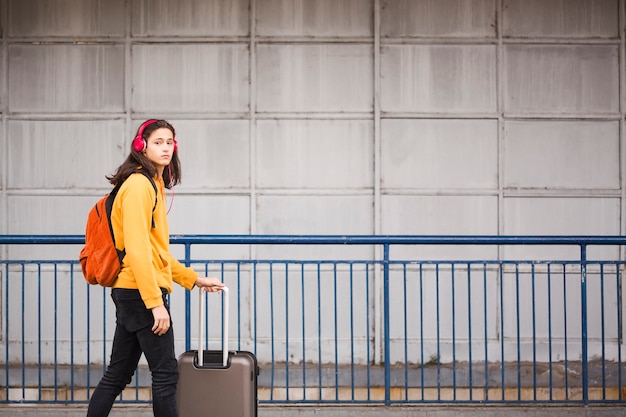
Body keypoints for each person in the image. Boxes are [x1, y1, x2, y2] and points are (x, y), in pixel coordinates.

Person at [86, 119, 224, 417]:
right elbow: (136, 250)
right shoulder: (138, 186)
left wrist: (194, 279)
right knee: (165, 374)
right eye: (158, 141)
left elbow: (155, 253)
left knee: (117, 375)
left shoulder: (152, 184)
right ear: (141, 146)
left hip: (133, 291)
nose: (166, 148)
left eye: (170, 142)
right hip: (140, 293)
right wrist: (155, 304)